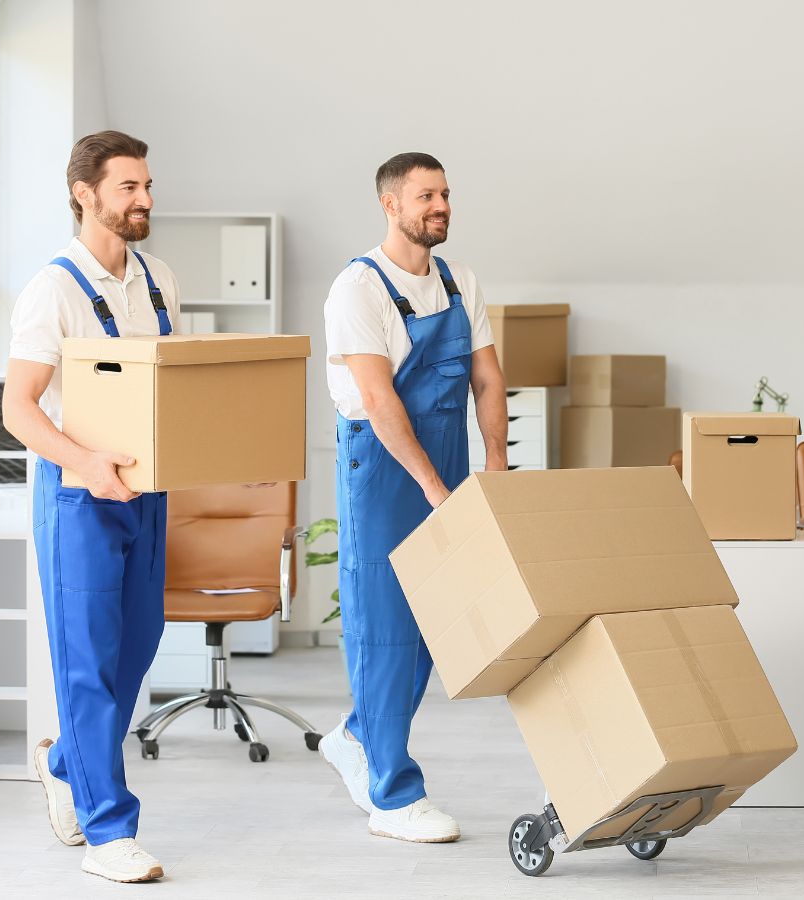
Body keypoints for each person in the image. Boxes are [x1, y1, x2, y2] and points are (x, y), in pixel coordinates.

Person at [3, 130, 180, 882]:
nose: (144, 199)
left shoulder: (158, 277)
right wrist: (85, 463)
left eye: (146, 185)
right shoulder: (55, 289)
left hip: (149, 492)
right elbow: (19, 409)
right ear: (85, 194)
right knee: (87, 665)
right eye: (127, 188)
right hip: (80, 496)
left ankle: (66, 766)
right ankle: (109, 832)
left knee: (135, 649)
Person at [318, 152, 508, 843]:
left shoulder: (461, 283)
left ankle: (357, 737)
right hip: (386, 469)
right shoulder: (358, 290)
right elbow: (376, 399)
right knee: (387, 625)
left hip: (451, 463)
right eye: (427, 195)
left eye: (447, 194)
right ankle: (392, 792)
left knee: (435, 628)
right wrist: (434, 490)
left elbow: (487, 381)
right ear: (391, 205)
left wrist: (492, 467)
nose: (441, 206)